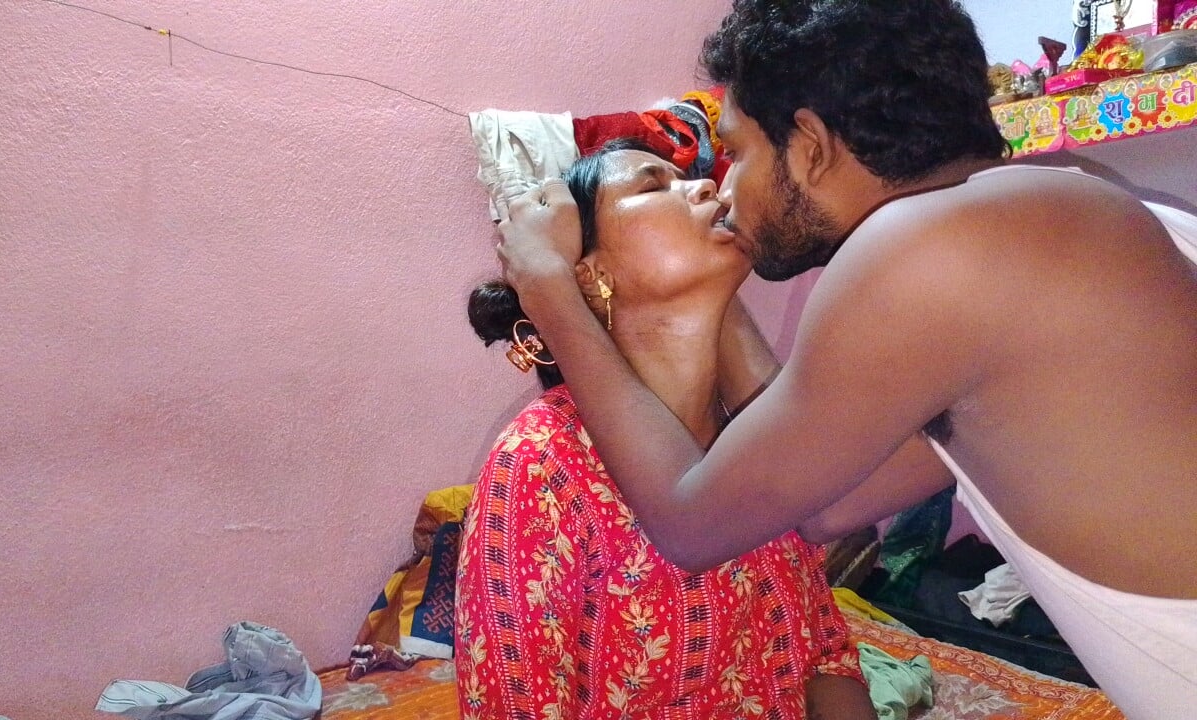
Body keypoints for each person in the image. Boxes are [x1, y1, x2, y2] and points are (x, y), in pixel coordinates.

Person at [491, 1, 1197, 718]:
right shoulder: (1060, 206)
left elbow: (694, 525)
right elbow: (829, 503)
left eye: (739, 152)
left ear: (809, 145)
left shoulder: (933, 250)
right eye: (662, 185)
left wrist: (545, 287)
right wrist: (715, 278)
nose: (722, 186)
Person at [453, 140, 877, 720]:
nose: (708, 188)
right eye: (654, 186)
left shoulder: (753, 439)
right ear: (591, 273)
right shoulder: (540, 462)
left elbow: (825, 653)